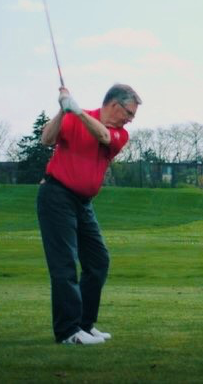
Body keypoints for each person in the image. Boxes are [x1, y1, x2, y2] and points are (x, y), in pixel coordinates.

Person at [37, 83, 138, 345]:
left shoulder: (119, 134)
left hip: (83, 203)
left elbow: (102, 137)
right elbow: (46, 139)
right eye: (129, 113)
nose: (130, 119)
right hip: (56, 196)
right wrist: (63, 111)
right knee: (65, 264)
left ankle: (83, 324)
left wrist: (77, 113)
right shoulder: (74, 116)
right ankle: (68, 332)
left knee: (98, 262)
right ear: (114, 104)